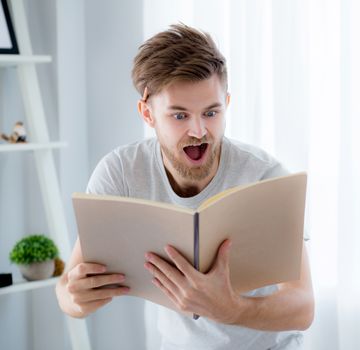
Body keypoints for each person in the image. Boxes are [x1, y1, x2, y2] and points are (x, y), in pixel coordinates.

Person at [55, 24, 314, 349]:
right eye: (179, 116)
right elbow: (67, 289)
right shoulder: (120, 172)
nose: (198, 130)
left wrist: (232, 309)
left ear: (227, 103)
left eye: (211, 112)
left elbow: (303, 306)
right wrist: (76, 299)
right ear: (147, 113)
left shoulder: (266, 176)